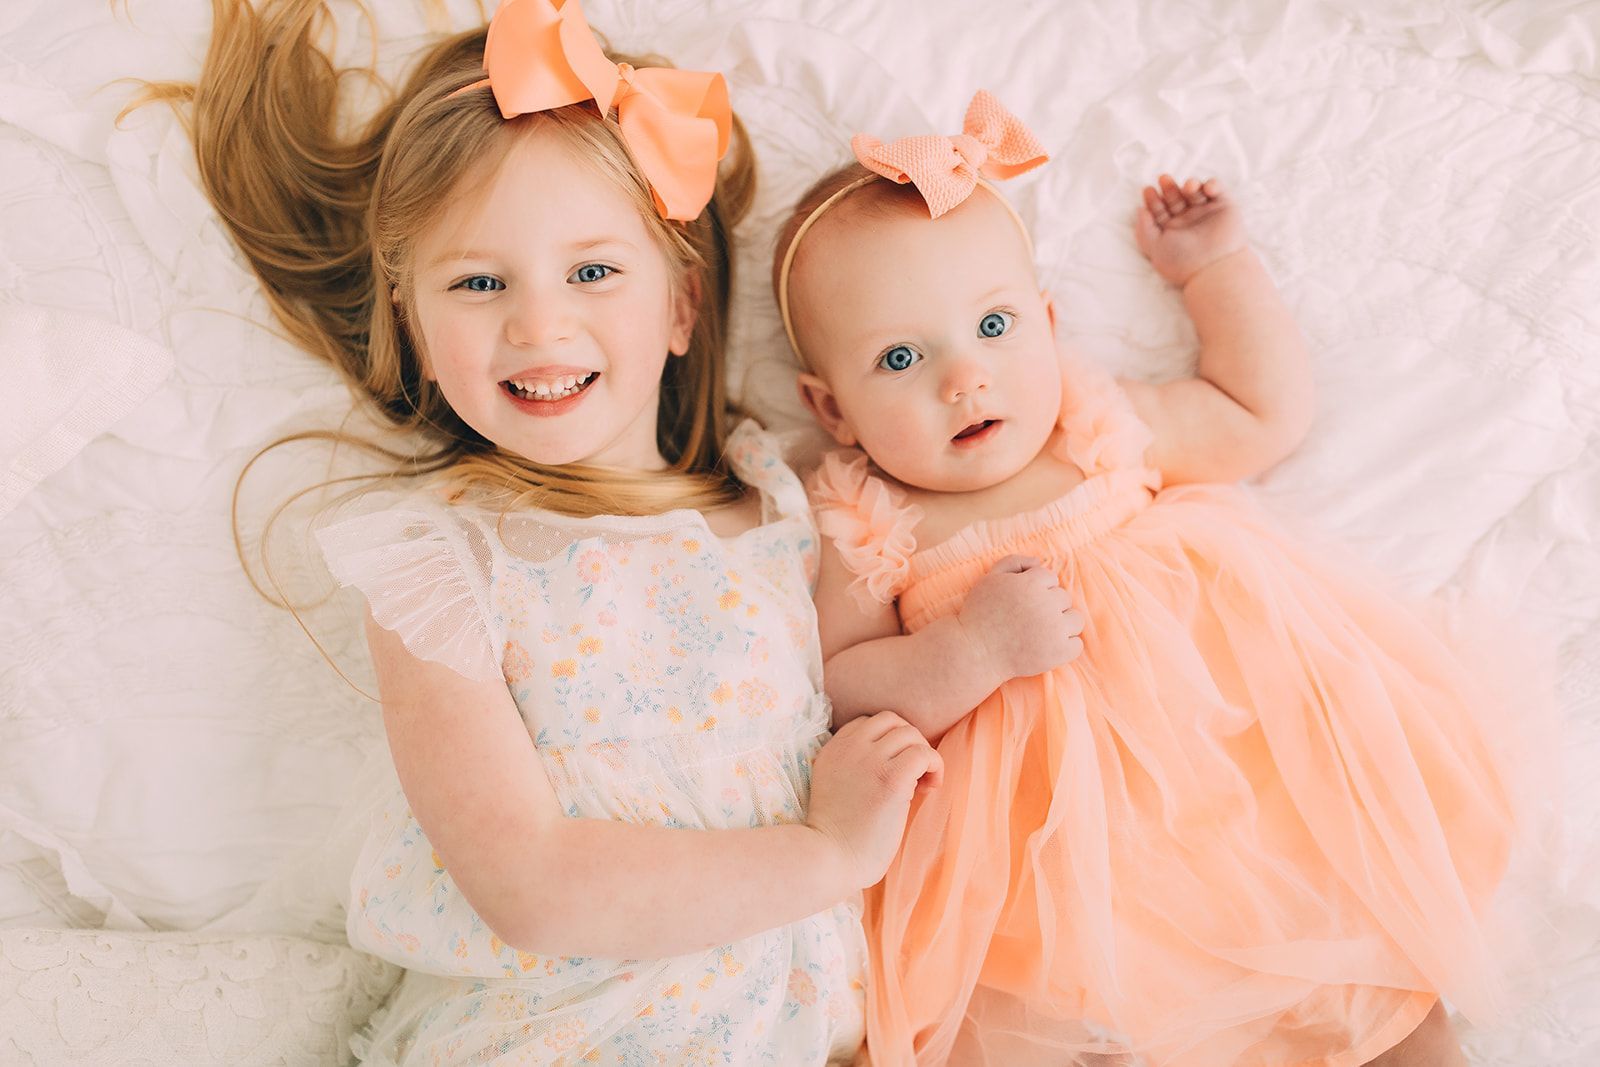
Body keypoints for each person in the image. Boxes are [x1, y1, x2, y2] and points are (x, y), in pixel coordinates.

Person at [170, 0, 943, 1062]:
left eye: (592, 271)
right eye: (480, 282)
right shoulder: (441, 570)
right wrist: (824, 852)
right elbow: (528, 885)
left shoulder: (781, 504)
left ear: (679, 307)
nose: (538, 324)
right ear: (412, 325)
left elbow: (872, 670)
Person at [772, 90, 1550, 1067]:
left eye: (995, 326)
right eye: (898, 357)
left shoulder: (1098, 424)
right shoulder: (865, 519)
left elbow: (1257, 410)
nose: (962, 378)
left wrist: (1214, 272)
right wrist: (965, 649)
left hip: (1236, 765)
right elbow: (832, 688)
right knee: (1071, 1016)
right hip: (1048, 855)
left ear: (1049, 324)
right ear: (830, 408)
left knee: (1364, 964)